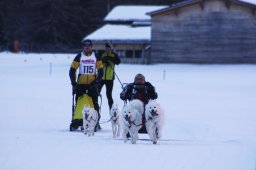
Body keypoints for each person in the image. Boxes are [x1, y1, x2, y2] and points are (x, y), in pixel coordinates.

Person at [69, 39, 103, 131]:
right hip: (81, 84)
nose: (87, 46)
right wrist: (74, 83)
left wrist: (96, 81)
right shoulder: (79, 56)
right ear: (83, 46)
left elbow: (100, 71)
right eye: (85, 45)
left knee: (95, 105)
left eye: (89, 45)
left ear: (91, 46)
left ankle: (96, 122)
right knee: (79, 103)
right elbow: (72, 70)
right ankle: (77, 120)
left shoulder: (96, 56)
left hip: (93, 85)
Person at [98, 41, 121, 110]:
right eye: (106, 48)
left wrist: (110, 59)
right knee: (96, 93)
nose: (107, 49)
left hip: (110, 78)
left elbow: (118, 62)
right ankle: (95, 107)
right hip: (101, 77)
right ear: (104, 48)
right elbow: (97, 62)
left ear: (111, 48)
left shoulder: (114, 55)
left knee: (109, 95)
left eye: (109, 48)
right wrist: (104, 61)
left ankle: (111, 109)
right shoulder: (101, 54)